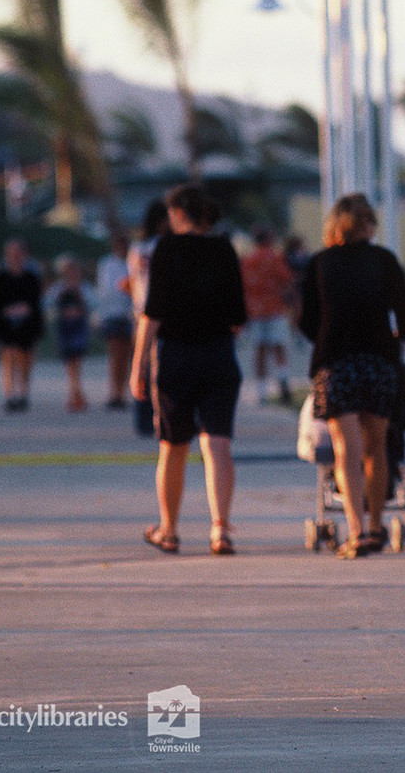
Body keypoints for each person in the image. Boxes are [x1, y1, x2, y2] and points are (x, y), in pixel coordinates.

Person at [297, 193, 405, 558]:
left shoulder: (320, 264)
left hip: (337, 365)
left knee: (344, 450)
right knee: (376, 448)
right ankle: (378, 525)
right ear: (367, 224)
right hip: (379, 362)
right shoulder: (384, 261)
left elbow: (307, 321)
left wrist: (327, 337)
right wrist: (397, 339)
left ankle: (356, 531)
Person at [129, 184, 247, 556]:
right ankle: (220, 530)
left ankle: (169, 530)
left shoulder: (166, 248)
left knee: (173, 447)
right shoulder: (224, 248)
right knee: (218, 444)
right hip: (218, 355)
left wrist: (139, 367)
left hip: (177, 357)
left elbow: (153, 314)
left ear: (178, 214)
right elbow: (238, 318)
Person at [0, 239, 44, 411]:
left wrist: (26, 311)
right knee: (8, 356)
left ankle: (23, 393)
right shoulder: (0, 277)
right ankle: (10, 395)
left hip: (27, 325)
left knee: (25, 358)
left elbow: (36, 304)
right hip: (6, 324)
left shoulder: (31, 278)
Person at [126, 200, 168, 438]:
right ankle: (160, 417)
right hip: (162, 314)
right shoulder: (164, 246)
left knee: (141, 365)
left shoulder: (137, 248)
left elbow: (132, 282)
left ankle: (142, 418)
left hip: (140, 312)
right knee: (160, 368)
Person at [240, 225, 294, 404]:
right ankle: (283, 381)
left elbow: (243, 285)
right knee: (279, 348)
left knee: (260, 351)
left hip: (255, 310)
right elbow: (287, 278)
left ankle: (262, 391)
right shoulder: (275, 257)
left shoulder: (248, 260)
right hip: (275, 308)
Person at [48, 255, 93, 412]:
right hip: (65, 328)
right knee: (69, 363)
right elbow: (48, 302)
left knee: (77, 361)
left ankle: (76, 394)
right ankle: (75, 394)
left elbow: (93, 303)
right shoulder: (58, 288)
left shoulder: (84, 287)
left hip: (79, 327)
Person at [95, 232, 133, 409]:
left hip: (130, 314)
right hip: (113, 314)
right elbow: (107, 291)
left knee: (128, 356)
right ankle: (115, 392)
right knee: (115, 356)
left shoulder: (133, 261)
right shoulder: (106, 264)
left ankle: (125, 392)